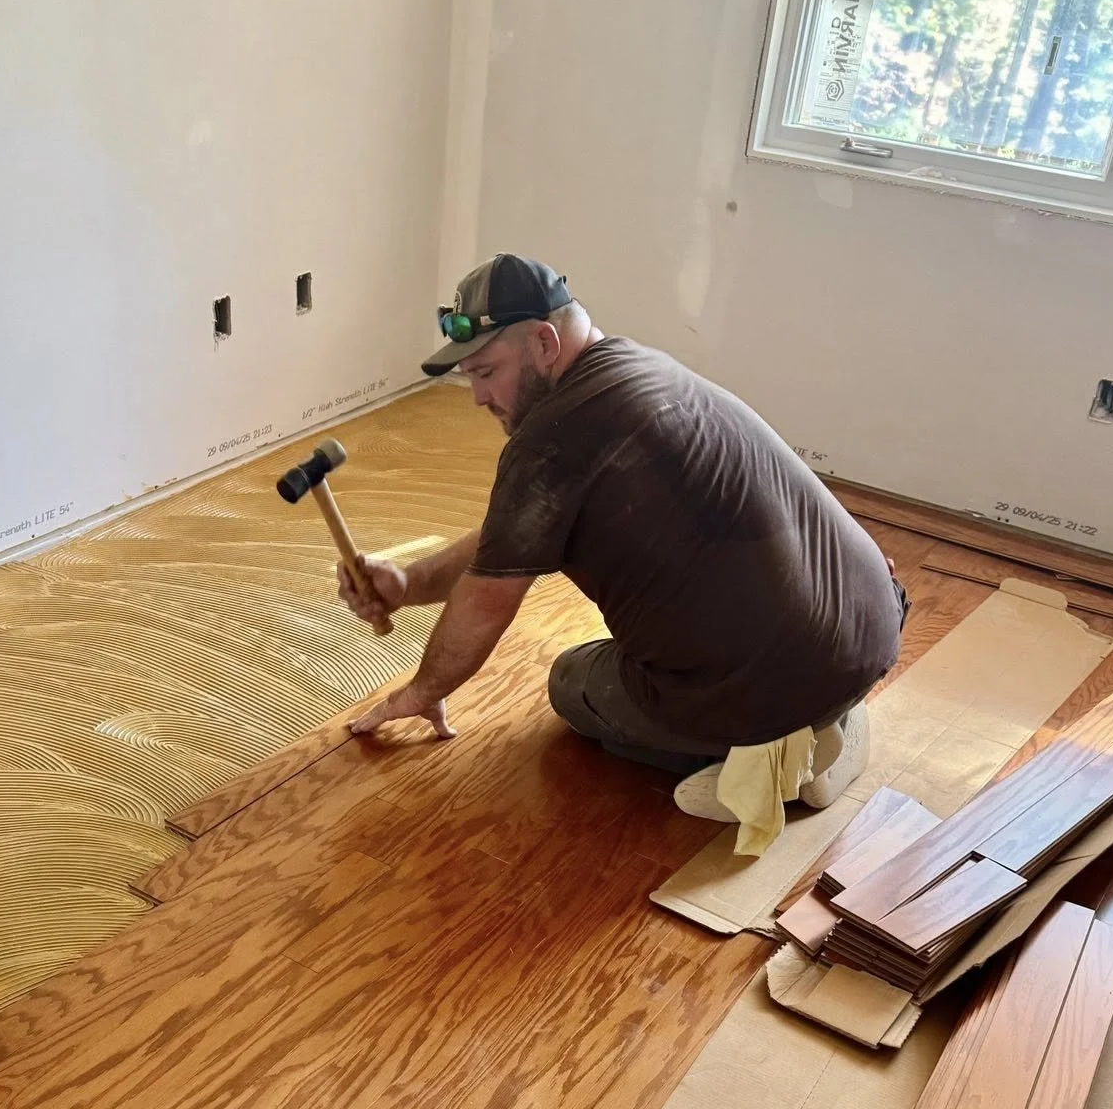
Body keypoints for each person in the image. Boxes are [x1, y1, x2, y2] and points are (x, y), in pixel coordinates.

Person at [340, 254, 906, 818]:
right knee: (718, 651)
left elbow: (487, 601)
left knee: (573, 685)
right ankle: (833, 717)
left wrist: (423, 690)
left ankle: (768, 762)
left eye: (487, 373)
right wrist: (409, 582)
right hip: (870, 629)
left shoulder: (553, 440)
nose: (478, 398)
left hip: (773, 682)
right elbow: (510, 537)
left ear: (542, 343)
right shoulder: (640, 366)